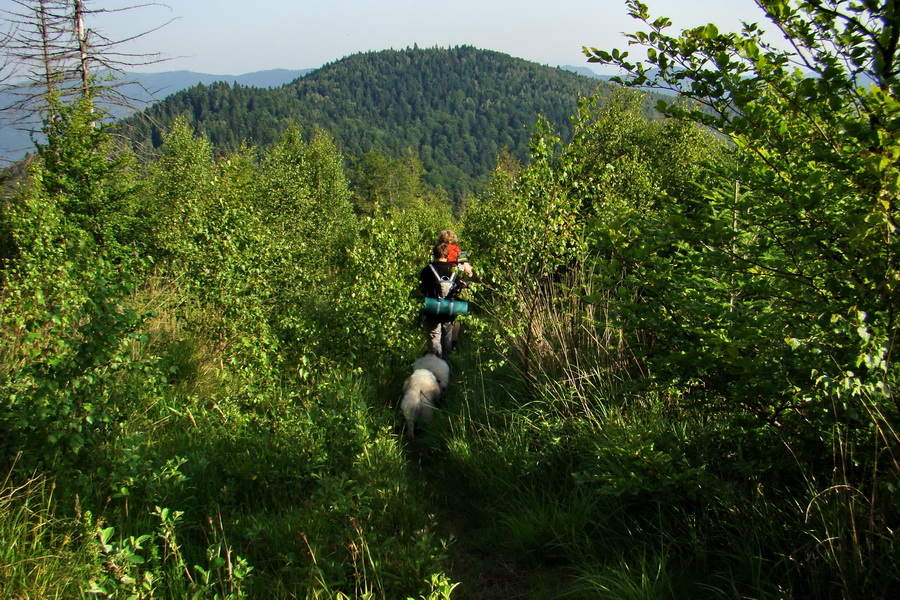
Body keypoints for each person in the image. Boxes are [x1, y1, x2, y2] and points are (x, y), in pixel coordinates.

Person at [420, 243, 459, 357]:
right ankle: (447, 360)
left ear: (434, 254)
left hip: (432, 306)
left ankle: (435, 358)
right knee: (447, 334)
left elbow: (422, 287)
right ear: (447, 254)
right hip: (448, 308)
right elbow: (459, 286)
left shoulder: (427, 270)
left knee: (434, 335)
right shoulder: (454, 270)